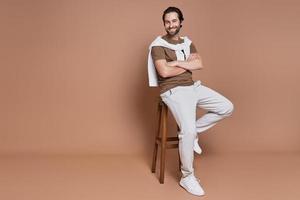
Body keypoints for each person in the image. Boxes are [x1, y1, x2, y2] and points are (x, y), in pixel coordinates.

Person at [147, 7, 234, 196]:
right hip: (173, 90)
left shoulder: (188, 43)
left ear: (180, 22)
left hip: (193, 87)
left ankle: (193, 133)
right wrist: (187, 65)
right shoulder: (157, 45)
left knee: (227, 107)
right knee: (187, 130)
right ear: (164, 24)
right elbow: (164, 72)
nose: (171, 25)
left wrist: (176, 63)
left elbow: (199, 64)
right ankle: (187, 177)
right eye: (167, 22)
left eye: (174, 21)